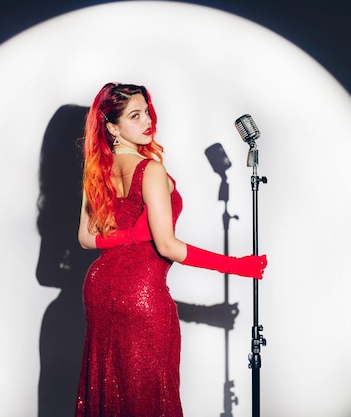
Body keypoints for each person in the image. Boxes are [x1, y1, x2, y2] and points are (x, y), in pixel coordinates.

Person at [75, 82, 267, 417]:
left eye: (146, 111)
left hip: (99, 289)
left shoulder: (98, 171)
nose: (147, 120)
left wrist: (127, 237)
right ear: (112, 127)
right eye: (135, 115)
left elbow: (86, 238)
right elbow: (168, 246)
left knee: (110, 390)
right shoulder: (150, 170)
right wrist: (237, 266)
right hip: (141, 294)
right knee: (150, 394)